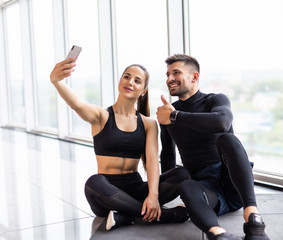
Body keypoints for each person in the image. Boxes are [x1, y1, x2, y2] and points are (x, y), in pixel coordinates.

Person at [50, 57, 190, 231]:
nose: (130, 82)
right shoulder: (101, 116)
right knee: (93, 182)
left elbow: (153, 160)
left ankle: (125, 215)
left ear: (143, 91)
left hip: (137, 188)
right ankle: (161, 216)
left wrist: (153, 196)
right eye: (126, 77)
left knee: (182, 174)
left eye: (137, 81)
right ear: (120, 81)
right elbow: (77, 104)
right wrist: (56, 81)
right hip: (106, 193)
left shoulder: (148, 123)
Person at [157, 54, 270, 240]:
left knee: (228, 140)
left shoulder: (214, 100)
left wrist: (175, 116)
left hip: (234, 181)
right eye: (167, 74)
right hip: (207, 190)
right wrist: (167, 193)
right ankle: (219, 235)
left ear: (194, 77)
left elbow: (222, 122)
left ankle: (254, 221)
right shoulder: (168, 112)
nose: (169, 79)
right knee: (185, 185)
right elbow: (167, 155)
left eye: (176, 73)